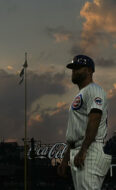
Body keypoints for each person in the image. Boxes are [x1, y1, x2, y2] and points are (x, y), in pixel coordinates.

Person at [58, 55, 112, 190]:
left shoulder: (94, 90)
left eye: (78, 68)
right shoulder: (82, 93)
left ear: (89, 70)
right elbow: (76, 131)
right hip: (80, 149)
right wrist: (65, 159)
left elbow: (94, 119)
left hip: (90, 149)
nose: (74, 71)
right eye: (73, 68)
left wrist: (83, 150)